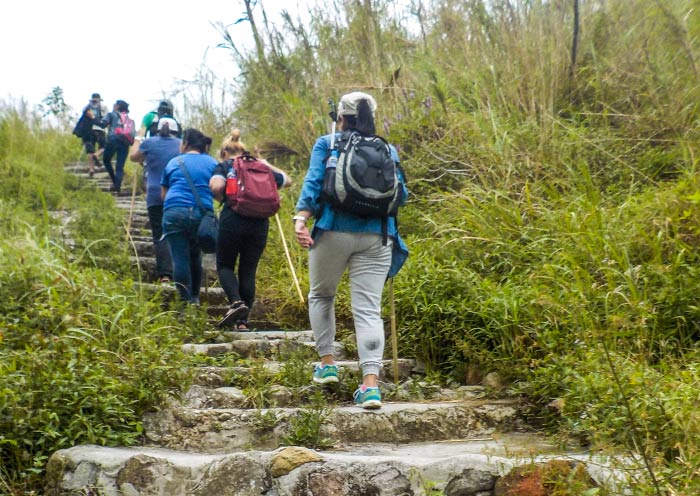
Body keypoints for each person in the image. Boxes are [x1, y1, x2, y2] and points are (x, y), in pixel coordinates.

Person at [294, 92, 409, 410]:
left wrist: (301, 219)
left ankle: (327, 363)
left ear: (339, 117)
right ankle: (370, 386)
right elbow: (403, 194)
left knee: (321, 295)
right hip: (377, 236)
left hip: (332, 230)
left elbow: (314, 182)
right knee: (369, 310)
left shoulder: (328, 142)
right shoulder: (387, 148)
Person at [209, 129, 292, 330]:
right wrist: (264, 163)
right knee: (248, 269)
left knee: (225, 265)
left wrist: (226, 200)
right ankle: (243, 322)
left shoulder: (226, 165)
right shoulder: (260, 167)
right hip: (259, 223)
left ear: (223, 153)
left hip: (233, 219)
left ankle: (236, 302)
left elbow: (216, 186)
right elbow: (287, 180)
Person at [160, 128, 217, 304]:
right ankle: (195, 298)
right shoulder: (213, 163)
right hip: (202, 214)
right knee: (195, 256)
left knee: (179, 258)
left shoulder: (173, 163)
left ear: (185, 143)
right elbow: (218, 189)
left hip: (175, 211)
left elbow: (163, 194)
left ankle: (185, 302)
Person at [129, 117, 182, 284]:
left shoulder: (149, 143)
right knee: (177, 233)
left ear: (158, 129)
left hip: (155, 195)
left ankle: (165, 275)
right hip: (177, 196)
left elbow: (133, 157)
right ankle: (181, 274)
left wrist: (138, 138)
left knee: (159, 234)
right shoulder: (182, 145)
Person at [101, 100, 134, 193]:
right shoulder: (127, 118)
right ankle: (117, 186)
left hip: (113, 140)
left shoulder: (111, 114)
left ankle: (114, 181)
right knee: (120, 166)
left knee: (106, 160)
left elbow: (103, 124)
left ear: (117, 106)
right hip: (125, 142)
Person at [79, 93, 107, 176]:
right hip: (100, 130)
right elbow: (106, 119)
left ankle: (91, 169)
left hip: (88, 130)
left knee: (89, 150)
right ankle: (97, 154)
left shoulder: (86, 107)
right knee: (104, 147)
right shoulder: (103, 107)